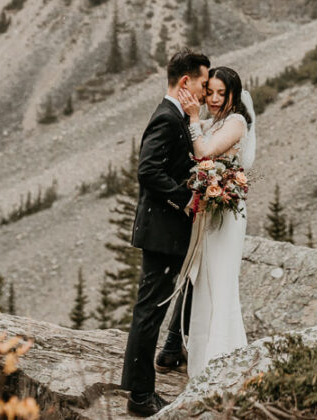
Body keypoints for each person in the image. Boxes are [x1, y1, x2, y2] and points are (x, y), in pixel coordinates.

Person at [119, 50, 209, 418]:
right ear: (185, 81)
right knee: (149, 311)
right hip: (161, 231)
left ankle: (145, 385)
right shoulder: (167, 118)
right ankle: (140, 396)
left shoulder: (176, 116)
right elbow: (148, 170)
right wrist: (186, 198)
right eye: (203, 83)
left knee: (152, 309)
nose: (205, 91)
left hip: (166, 229)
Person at [174, 66, 255, 375]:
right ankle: (203, 361)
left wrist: (194, 118)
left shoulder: (235, 122)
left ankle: (224, 359)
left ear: (234, 94)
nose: (215, 98)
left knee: (221, 282)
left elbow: (205, 152)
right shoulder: (214, 121)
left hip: (227, 214)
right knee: (205, 282)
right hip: (210, 211)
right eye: (211, 92)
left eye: (223, 93)